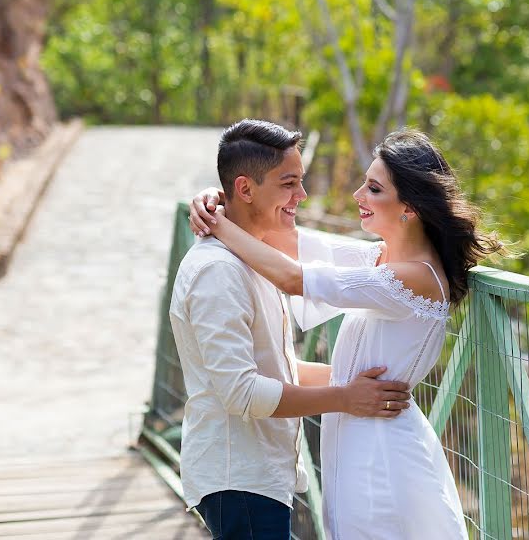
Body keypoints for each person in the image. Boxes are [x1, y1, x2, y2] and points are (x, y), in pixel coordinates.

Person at [190, 128, 504, 539]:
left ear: (409, 206)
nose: (358, 195)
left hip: (382, 445)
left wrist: (217, 223)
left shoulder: (414, 277)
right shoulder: (378, 258)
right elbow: (286, 239)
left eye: (373, 189)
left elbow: (291, 277)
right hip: (357, 430)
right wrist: (216, 199)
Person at [172, 119, 412, 540]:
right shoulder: (218, 272)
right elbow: (241, 392)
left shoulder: (252, 256)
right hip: (238, 477)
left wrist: (357, 385)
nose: (301, 196)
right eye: (289, 184)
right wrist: (343, 398)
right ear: (245, 190)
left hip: (256, 475)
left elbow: (274, 368)